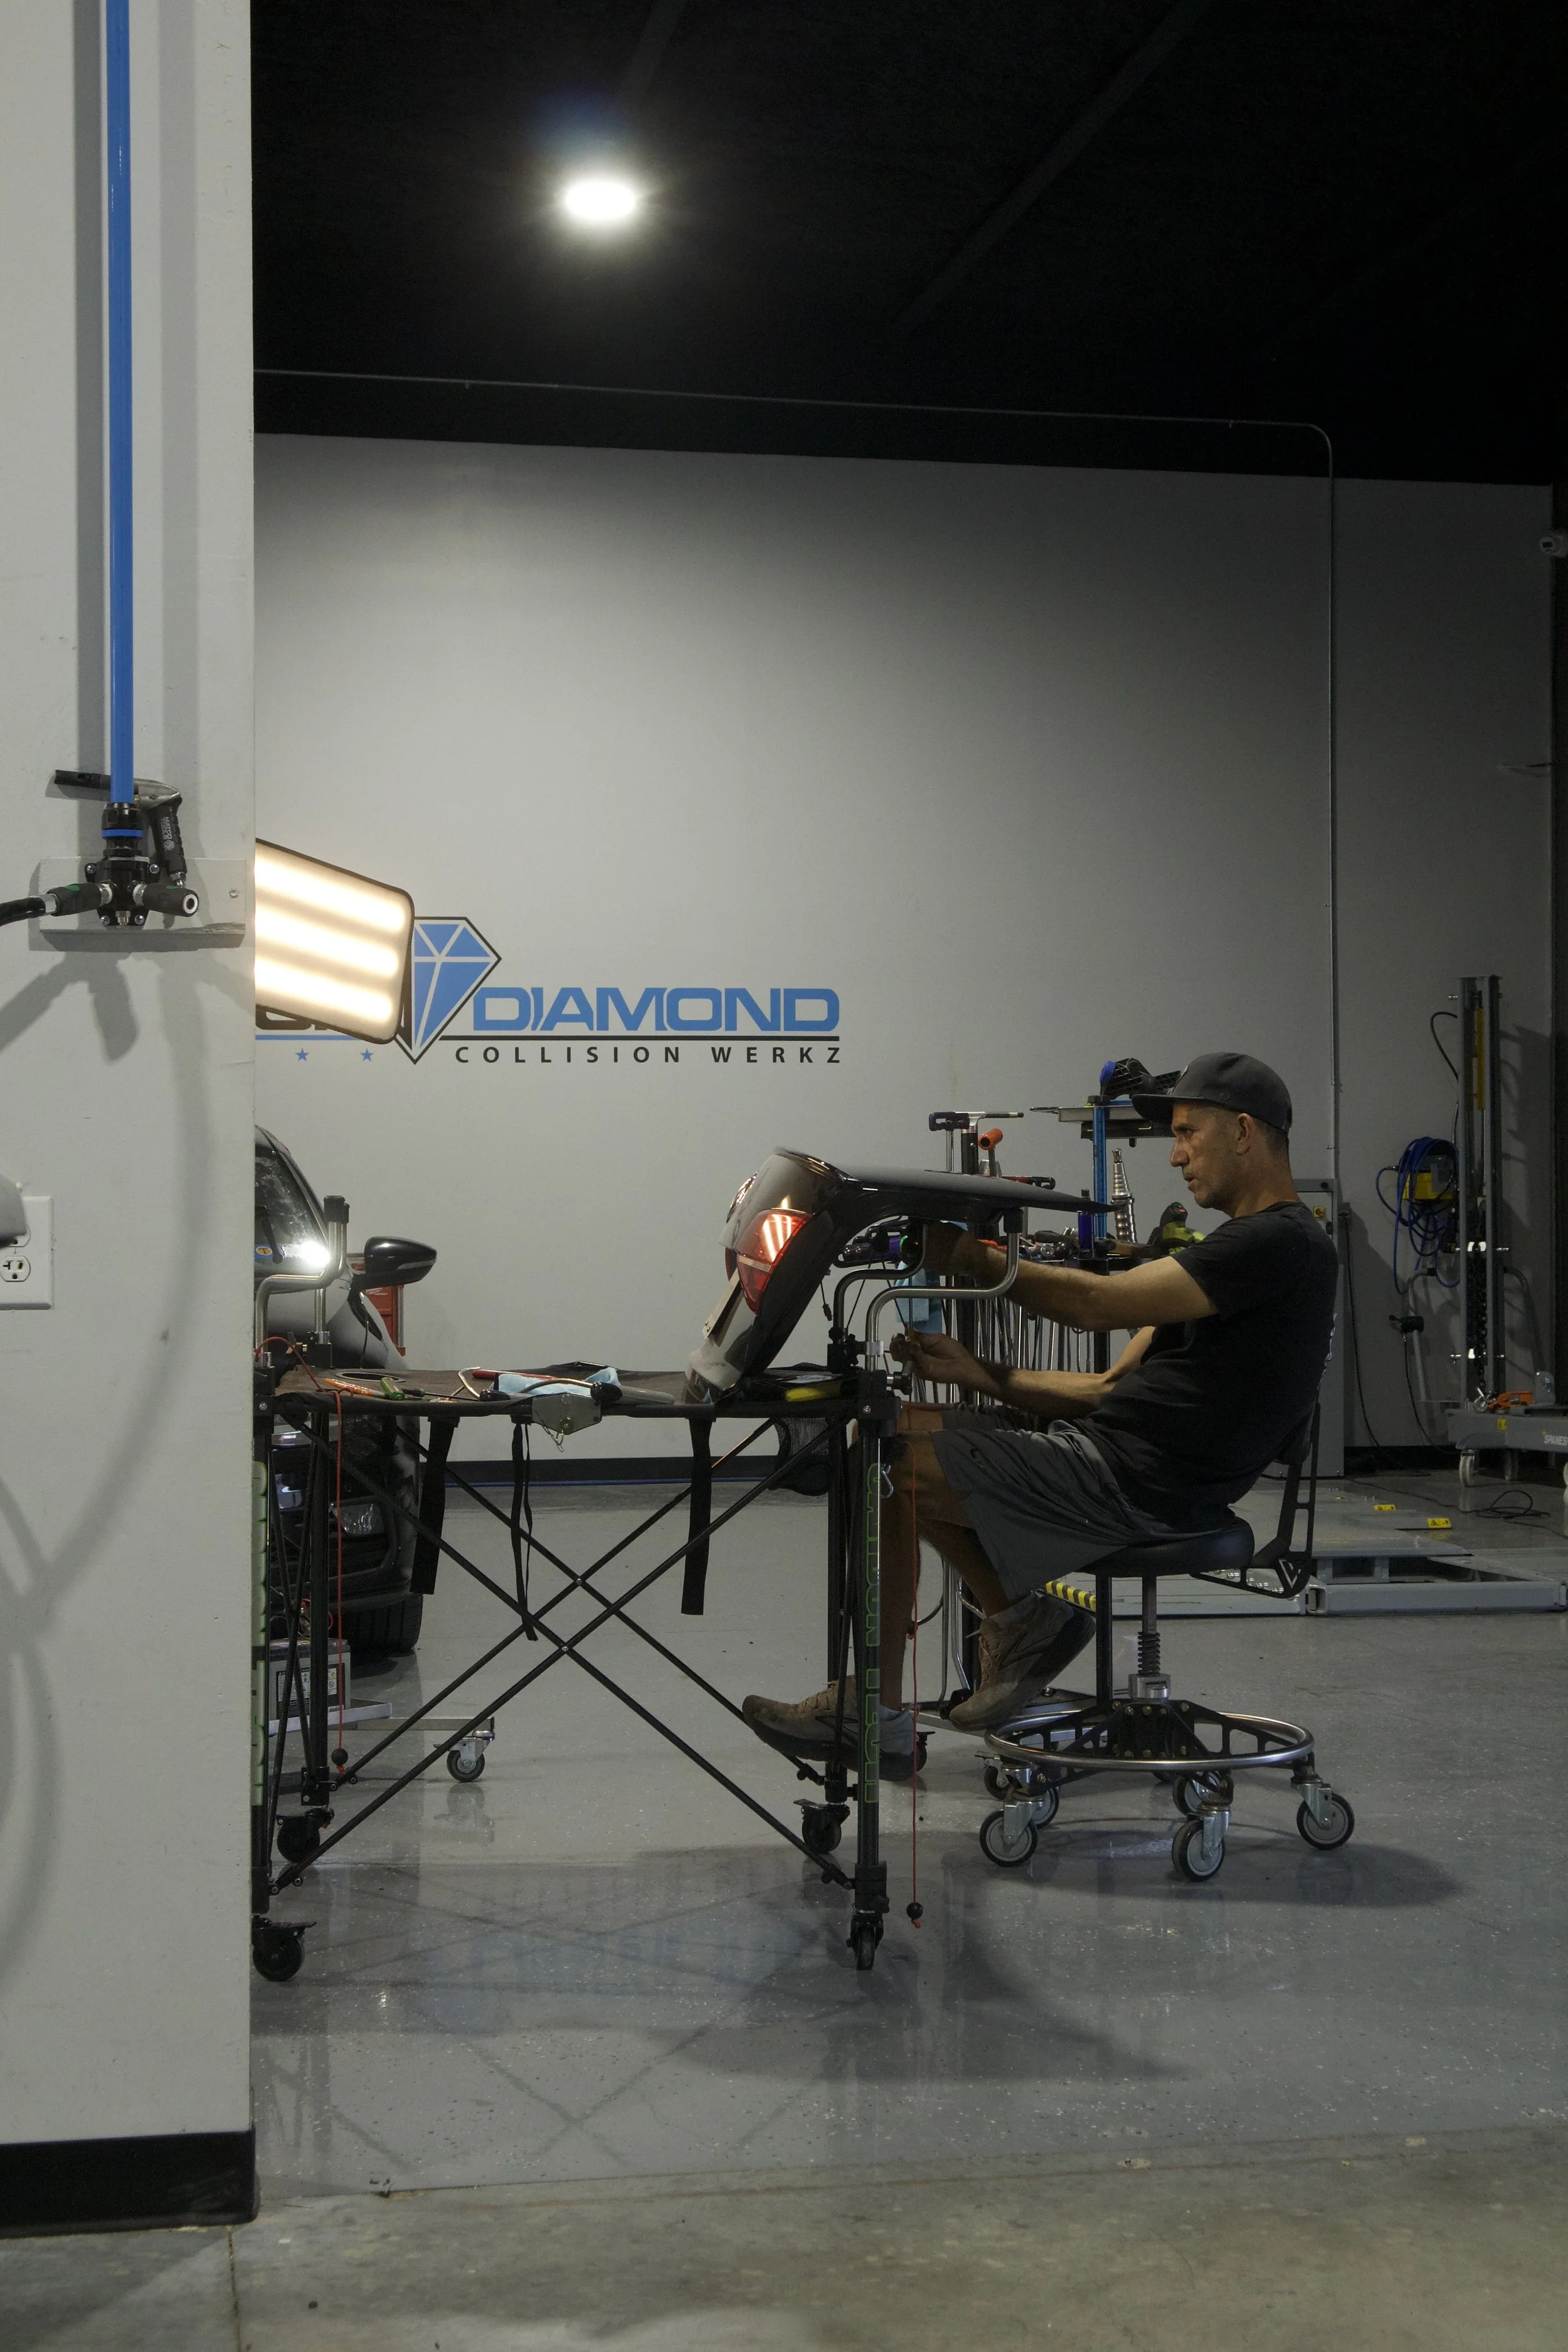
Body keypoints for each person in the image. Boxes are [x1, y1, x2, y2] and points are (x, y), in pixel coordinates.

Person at [741, 1052, 1338, 1772]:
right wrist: (980, 1374)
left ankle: (880, 1713)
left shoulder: (1277, 1242)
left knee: (885, 1464)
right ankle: (1023, 1621)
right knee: (893, 1432)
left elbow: (1096, 1304)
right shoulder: (1236, 1253)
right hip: (1117, 1458)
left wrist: (980, 1262)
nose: (1176, 1156)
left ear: (1242, 1131)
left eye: (1188, 1134)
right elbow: (1106, 1390)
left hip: (1142, 1486)